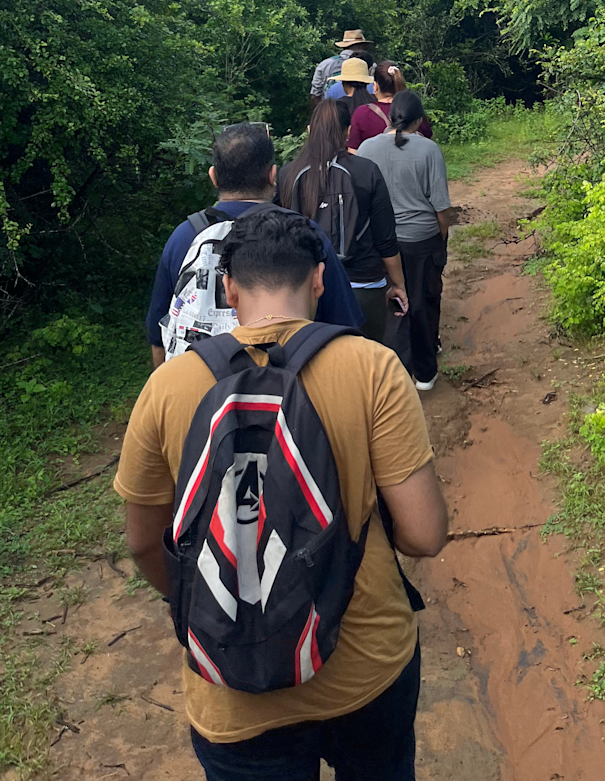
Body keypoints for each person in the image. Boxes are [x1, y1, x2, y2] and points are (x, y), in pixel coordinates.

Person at [117, 207, 449, 781]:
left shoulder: (167, 387)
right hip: (365, 668)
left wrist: (208, 610)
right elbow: (424, 535)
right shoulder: (373, 368)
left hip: (232, 693)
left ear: (229, 287)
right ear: (319, 279)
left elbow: (145, 543)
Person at [146, 122, 363, 369]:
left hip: (205, 390)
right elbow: (344, 326)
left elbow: (159, 335)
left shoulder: (184, 238)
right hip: (287, 394)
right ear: (273, 176)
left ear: (213, 177)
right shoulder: (304, 234)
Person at [278, 100, 409, 343]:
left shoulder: (287, 175)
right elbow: (386, 239)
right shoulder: (367, 171)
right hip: (363, 286)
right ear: (347, 132)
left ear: (309, 130)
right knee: (366, 364)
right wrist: (398, 284)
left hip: (305, 290)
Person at [357, 90, 451, 391]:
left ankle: (393, 376)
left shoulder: (367, 148)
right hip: (421, 240)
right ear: (420, 119)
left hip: (380, 242)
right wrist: (442, 240)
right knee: (423, 304)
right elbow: (440, 207)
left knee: (393, 308)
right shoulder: (429, 150)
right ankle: (425, 373)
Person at [347, 62, 433, 153]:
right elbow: (429, 144)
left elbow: (353, 152)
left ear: (375, 86)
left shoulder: (362, 113)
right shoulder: (412, 108)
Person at [309, 29, 374, 105]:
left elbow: (315, 95)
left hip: (332, 111)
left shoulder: (324, 64)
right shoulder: (366, 64)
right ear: (361, 45)